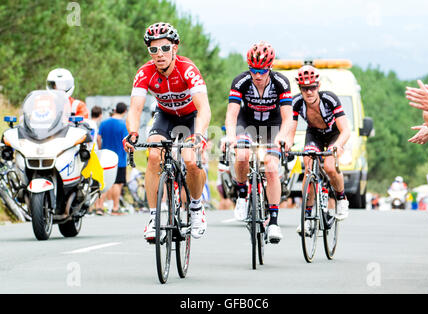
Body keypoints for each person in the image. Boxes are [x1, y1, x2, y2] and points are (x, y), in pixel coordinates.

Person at [124, 22, 211, 240]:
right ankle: (155, 216)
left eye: (164, 48)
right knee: (154, 155)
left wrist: (199, 134)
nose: (159, 54)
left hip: (191, 118)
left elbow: (204, 108)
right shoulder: (145, 72)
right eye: (153, 49)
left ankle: (196, 207)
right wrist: (133, 133)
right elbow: (134, 109)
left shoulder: (187, 69)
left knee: (190, 160)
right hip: (165, 116)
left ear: (175, 47)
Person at [224, 41, 293, 243]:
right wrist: (230, 135)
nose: (258, 75)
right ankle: (243, 194)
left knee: (271, 167)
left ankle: (273, 222)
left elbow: (288, 117)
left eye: (262, 70)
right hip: (247, 124)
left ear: (270, 68)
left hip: (273, 125)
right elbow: (232, 115)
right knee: (243, 154)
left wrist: (282, 137)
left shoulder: (281, 82)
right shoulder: (240, 82)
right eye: (253, 69)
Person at [290, 64, 351, 230]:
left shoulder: (329, 99)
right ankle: (307, 216)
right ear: (300, 88)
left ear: (318, 86)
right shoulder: (296, 102)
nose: (309, 92)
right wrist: (286, 145)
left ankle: (341, 198)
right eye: (304, 88)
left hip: (334, 134)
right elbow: (290, 129)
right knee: (309, 168)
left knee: (330, 167)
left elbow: (346, 129)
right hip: (314, 134)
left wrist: (338, 146)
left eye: (312, 87)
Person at [97, 102, 129, 216]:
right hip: (119, 158)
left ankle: (100, 207)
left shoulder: (104, 123)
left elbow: (98, 138)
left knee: (104, 182)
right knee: (117, 183)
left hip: (105, 157)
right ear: (125, 111)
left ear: (115, 110)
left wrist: (101, 148)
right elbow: (126, 140)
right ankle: (115, 208)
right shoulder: (124, 124)